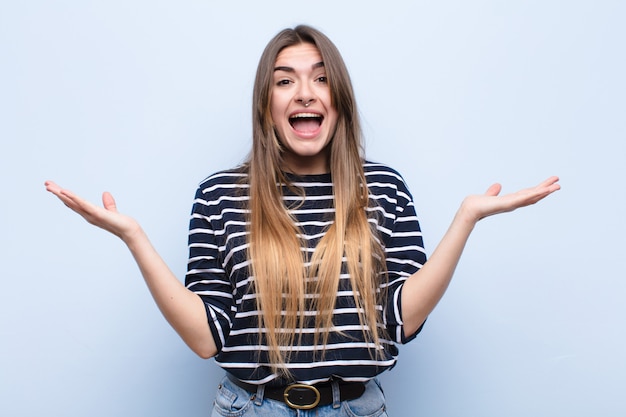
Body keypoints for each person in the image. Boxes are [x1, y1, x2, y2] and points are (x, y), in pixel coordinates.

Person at [45, 25, 560, 417]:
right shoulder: (220, 195)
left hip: (358, 408)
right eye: (285, 81)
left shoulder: (383, 190)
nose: (305, 93)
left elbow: (400, 321)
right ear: (266, 105)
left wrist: (465, 220)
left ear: (339, 101)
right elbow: (208, 339)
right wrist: (134, 239)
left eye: (320, 78)